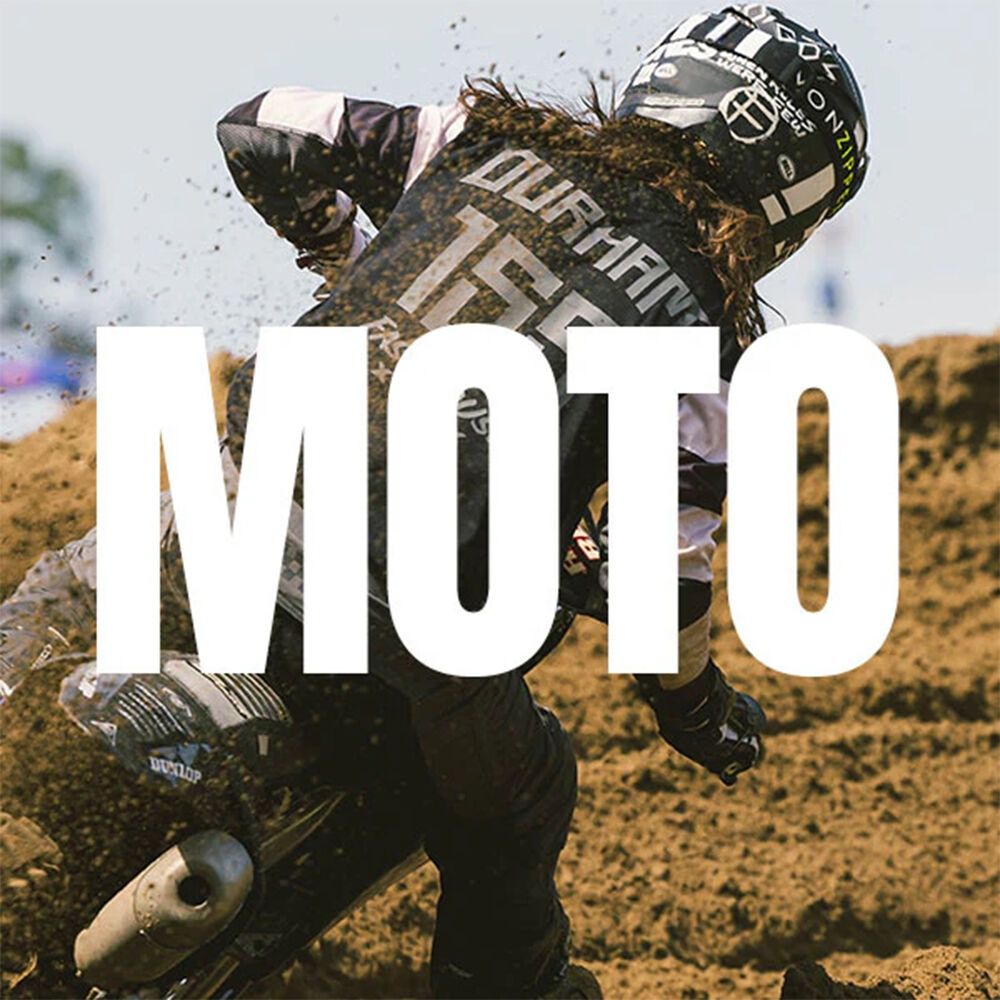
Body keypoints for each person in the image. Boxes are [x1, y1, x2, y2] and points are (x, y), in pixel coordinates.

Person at [0, 6, 868, 997]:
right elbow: (663, 588)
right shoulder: (709, 333)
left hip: (227, 514)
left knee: (59, 596)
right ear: (792, 195)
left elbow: (262, 127)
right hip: (414, 631)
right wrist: (697, 710)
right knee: (527, 795)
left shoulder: (474, 141)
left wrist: (343, 253)